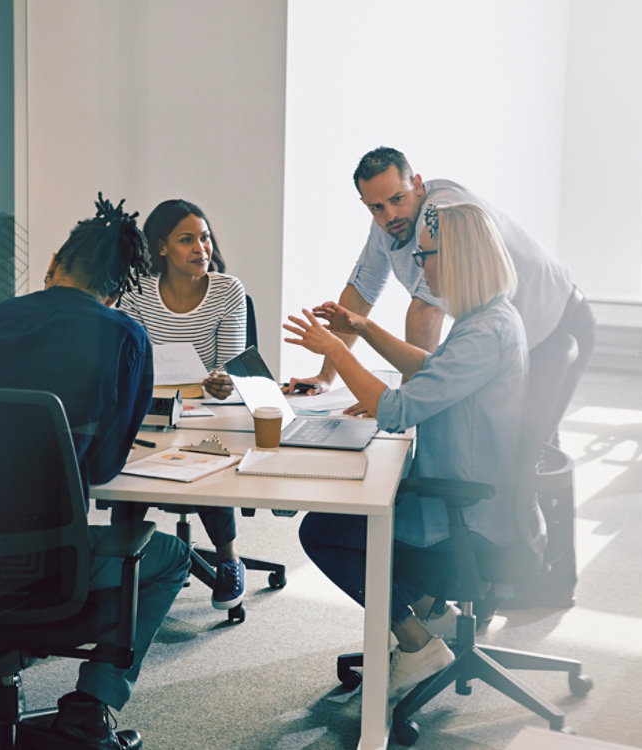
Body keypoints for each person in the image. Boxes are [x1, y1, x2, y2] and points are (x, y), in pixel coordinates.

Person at [0, 194, 190, 750]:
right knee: (171, 557)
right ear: (117, 289)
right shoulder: (123, 335)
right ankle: (89, 708)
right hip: (49, 563)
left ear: (56, 259)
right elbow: (106, 466)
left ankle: (2, 661)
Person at [283, 202, 528, 699]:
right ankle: (433, 613)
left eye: (427, 257)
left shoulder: (484, 334)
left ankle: (416, 641)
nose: (421, 268)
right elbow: (430, 368)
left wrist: (336, 350)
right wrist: (364, 327)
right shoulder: (491, 319)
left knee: (324, 530)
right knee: (354, 514)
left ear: (458, 259)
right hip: (475, 500)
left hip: (468, 518)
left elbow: (395, 410)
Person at [285, 146, 594, 444]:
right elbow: (361, 291)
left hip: (556, 319)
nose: (389, 215)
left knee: (531, 447)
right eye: (376, 207)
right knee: (513, 446)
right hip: (511, 333)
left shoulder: (442, 217)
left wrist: (401, 401)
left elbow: (426, 311)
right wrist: (327, 375)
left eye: (397, 199)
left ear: (417, 184)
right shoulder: (391, 222)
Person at [115, 199, 249, 611]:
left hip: (210, 410)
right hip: (151, 405)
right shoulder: (137, 292)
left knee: (209, 457)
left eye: (205, 237)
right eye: (186, 239)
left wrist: (225, 382)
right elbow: (127, 357)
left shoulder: (228, 290)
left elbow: (233, 367)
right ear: (161, 248)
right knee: (131, 463)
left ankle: (228, 560)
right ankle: (122, 563)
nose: (200, 248)